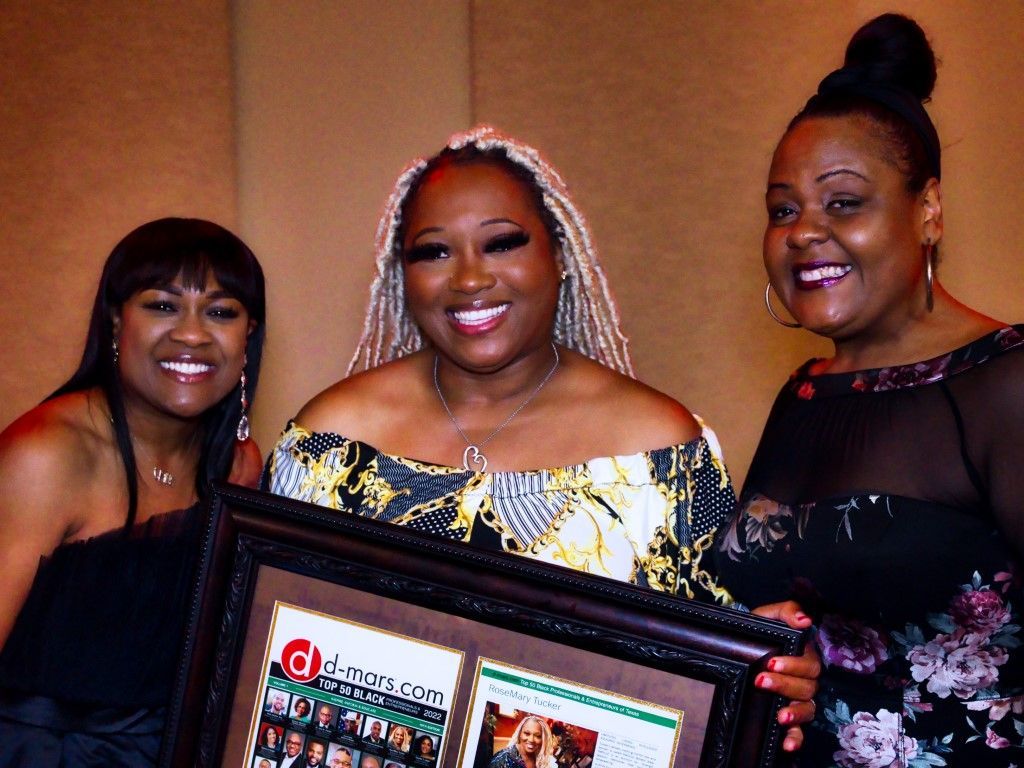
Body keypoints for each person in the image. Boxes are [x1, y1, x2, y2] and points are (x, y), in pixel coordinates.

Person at [264, 126, 817, 749]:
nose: (470, 279)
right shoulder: (325, 446)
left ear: (558, 255)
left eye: (501, 243)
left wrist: (772, 676)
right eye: (434, 252)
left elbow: (711, 662)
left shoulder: (659, 451)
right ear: (402, 274)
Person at [714, 13, 1024, 766]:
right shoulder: (805, 397)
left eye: (843, 202)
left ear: (927, 210)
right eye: (782, 209)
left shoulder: (1004, 382)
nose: (804, 231)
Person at [0, 218, 266, 765]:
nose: (192, 334)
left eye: (220, 312)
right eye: (162, 306)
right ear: (116, 320)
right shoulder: (47, 455)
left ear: (248, 339)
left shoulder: (238, 466)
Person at [488, 715, 552, 768]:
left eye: (538, 736)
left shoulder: (538, 757)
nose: (531, 740)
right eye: (527, 733)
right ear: (519, 734)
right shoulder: (503, 758)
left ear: (543, 739)